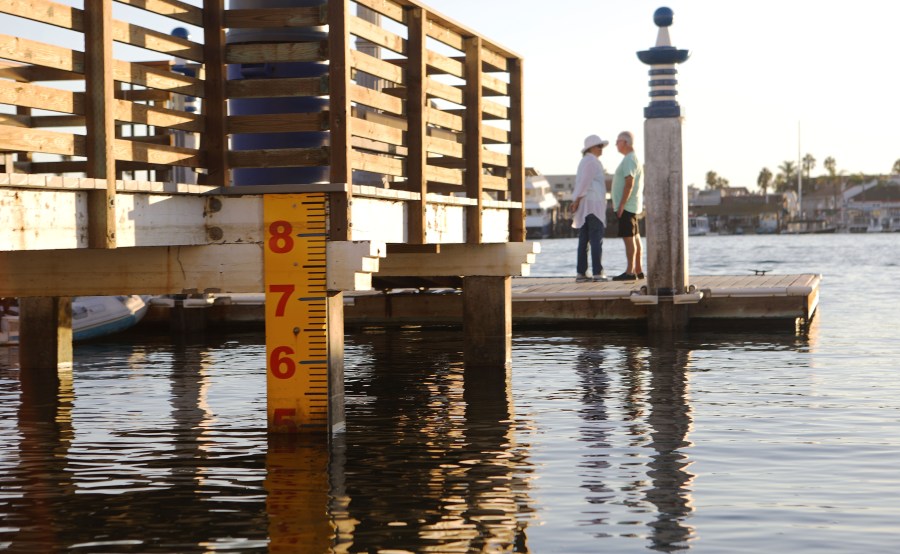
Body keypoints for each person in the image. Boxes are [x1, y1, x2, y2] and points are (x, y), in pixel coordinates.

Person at [571, 134, 609, 282]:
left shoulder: (585, 161)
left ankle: (581, 273)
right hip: (593, 205)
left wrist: (577, 200)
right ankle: (598, 273)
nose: (602, 149)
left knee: (584, 239)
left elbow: (582, 182)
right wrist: (577, 199)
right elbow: (585, 183)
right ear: (591, 148)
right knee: (595, 239)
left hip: (586, 205)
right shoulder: (591, 162)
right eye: (599, 146)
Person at [611, 131, 645, 281]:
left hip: (627, 206)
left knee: (629, 238)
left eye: (617, 141)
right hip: (632, 206)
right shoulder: (632, 158)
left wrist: (621, 205)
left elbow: (629, 182)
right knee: (635, 237)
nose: (616, 144)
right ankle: (638, 269)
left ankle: (630, 271)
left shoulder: (629, 159)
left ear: (625, 142)